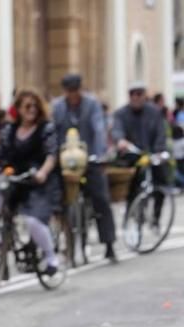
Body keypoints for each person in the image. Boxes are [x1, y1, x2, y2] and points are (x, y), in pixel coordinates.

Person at [0, 90, 62, 275]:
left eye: (35, 106)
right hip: (16, 177)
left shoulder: (46, 128)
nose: (32, 110)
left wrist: (43, 172)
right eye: (27, 106)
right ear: (18, 109)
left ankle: (51, 258)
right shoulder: (9, 130)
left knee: (32, 220)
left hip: (38, 180)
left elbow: (51, 154)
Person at [51, 73, 119, 262]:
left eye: (75, 90)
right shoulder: (58, 107)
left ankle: (109, 244)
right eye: (69, 91)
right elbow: (54, 131)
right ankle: (65, 243)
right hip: (67, 161)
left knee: (101, 199)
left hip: (90, 159)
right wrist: (54, 155)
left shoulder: (92, 105)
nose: (72, 95)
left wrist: (99, 154)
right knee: (61, 200)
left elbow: (98, 129)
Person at [113, 81, 171, 218]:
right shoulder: (121, 113)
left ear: (144, 95)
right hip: (133, 154)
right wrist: (121, 141)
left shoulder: (154, 112)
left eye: (139, 94)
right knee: (132, 184)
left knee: (161, 183)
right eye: (132, 94)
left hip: (152, 153)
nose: (136, 97)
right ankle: (130, 213)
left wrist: (158, 151)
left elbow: (160, 132)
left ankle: (156, 217)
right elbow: (117, 130)